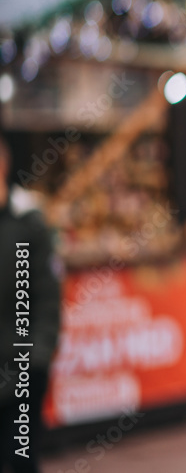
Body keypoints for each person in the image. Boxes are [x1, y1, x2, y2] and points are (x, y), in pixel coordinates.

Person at [0, 135, 62, 473]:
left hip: (19, 373)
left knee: (21, 459)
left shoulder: (27, 227)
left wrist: (35, 360)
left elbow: (45, 299)